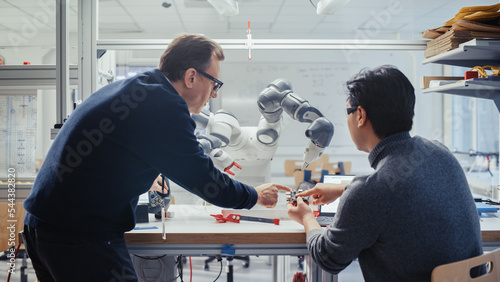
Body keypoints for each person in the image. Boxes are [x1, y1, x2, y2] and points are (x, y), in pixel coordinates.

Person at [23, 34, 290, 282]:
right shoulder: (165, 107)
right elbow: (206, 181)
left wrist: (144, 172)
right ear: (191, 77)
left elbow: (113, 153)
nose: (215, 93)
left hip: (44, 226)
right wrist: (255, 195)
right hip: (79, 235)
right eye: (215, 83)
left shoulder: (142, 87)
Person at [287, 65, 484, 281]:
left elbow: (327, 258)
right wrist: (343, 189)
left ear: (360, 115)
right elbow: (403, 188)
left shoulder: (369, 192)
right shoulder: (439, 152)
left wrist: (306, 216)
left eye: (348, 112)